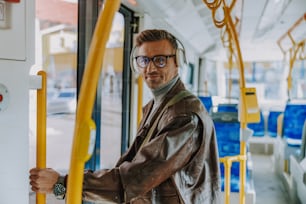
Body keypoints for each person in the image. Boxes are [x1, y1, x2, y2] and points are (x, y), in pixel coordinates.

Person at [30, 29, 220, 204]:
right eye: (144, 60)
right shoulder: (158, 106)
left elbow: (135, 178)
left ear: (177, 61)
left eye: (160, 60)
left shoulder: (184, 116)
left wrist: (61, 183)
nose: (150, 68)